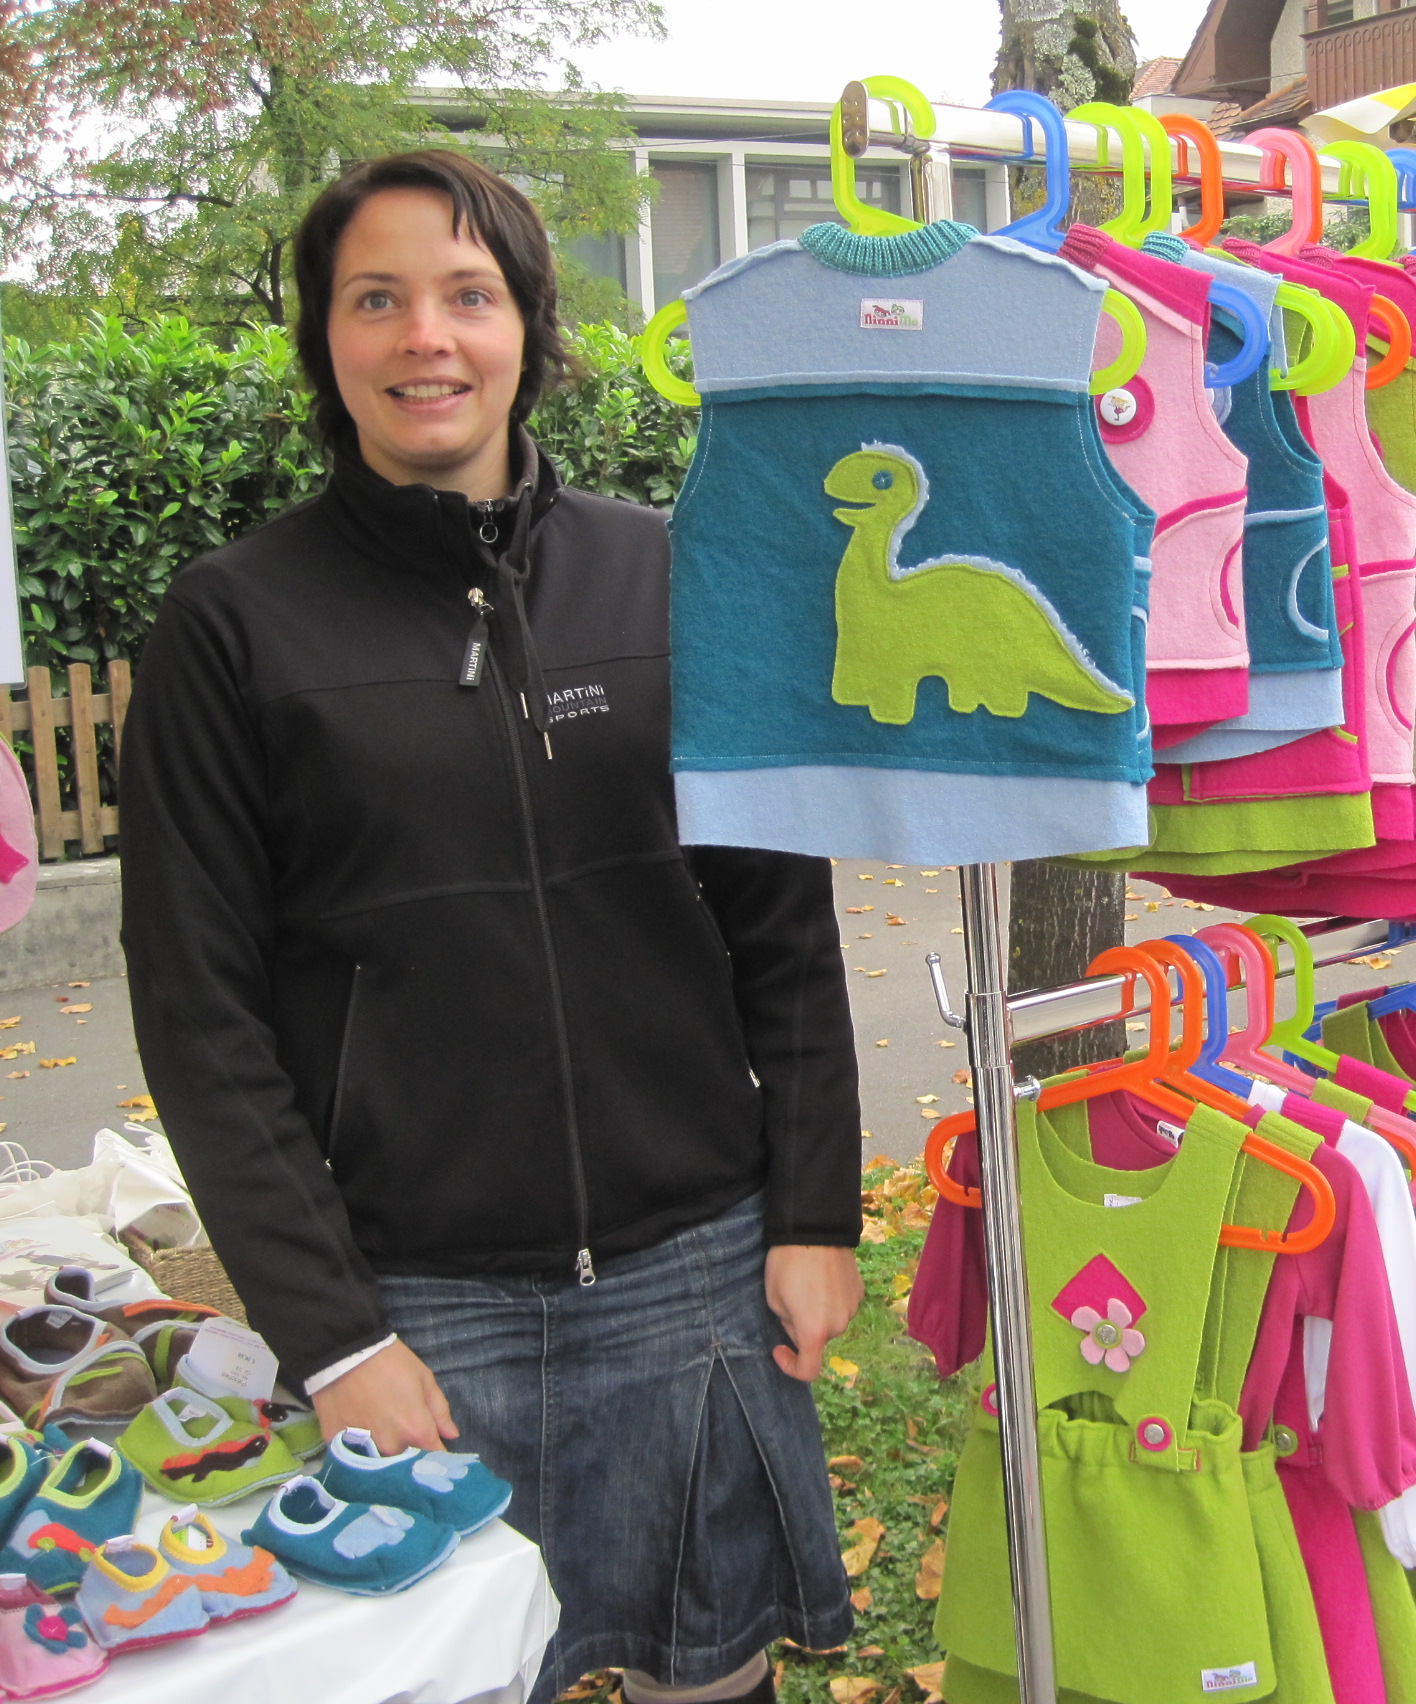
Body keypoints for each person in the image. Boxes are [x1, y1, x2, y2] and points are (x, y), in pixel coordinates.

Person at [118, 150, 862, 1704]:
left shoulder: (671, 574)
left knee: (713, 1677)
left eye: (467, 294)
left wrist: (813, 1213)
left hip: (693, 1270)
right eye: (375, 299)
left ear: (527, 322)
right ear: (325, 338)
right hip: (415, 1304)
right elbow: (199, 1009)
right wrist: (335, 1339)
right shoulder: (231, 623)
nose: (426, 338)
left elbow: (783, 926)